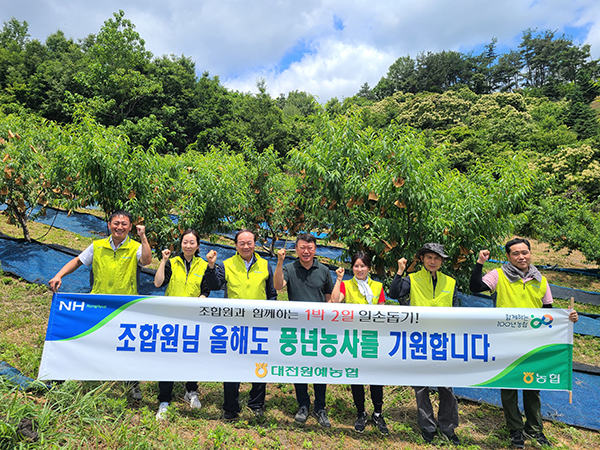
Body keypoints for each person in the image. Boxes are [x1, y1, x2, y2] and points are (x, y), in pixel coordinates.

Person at [470, 238, 579, 449]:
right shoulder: (498, 275)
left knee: (533, 385)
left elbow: (549, 311)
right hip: (506, 339)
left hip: (533, 341)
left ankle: (535, 429)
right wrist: (480, 263)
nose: (521, 257)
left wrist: (567, 317)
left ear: (530, 253)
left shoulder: (541, 280)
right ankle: (515, 430)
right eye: (515, 253)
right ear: (508, 257)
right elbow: (475, 287)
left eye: (525, 252)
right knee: (509, 386)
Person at [48, 210, 152, 400]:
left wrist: (144, 237)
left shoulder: (135, 247)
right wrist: (59, 275)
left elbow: (146, 260)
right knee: (83, 339)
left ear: (130, 227)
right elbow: (78, 261)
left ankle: (131, 385)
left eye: (124, 224)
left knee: (127, 345)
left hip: (125, 305)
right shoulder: (98, 246)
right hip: (98, 304)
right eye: (116, 223)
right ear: (109, 225)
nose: (119, 227)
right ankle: (63, 378)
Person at [388, 243, 460, 445]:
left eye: (437, 258)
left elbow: (456, 310)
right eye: (429, 257)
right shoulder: (412, 279)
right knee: (421, 387)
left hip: (443, 341)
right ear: (422, 259)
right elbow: (394, 293)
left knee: (446, 387)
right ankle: (427, 426)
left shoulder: (450, 282)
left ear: (442, 261)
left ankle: (448, 428)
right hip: (418, 339)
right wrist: (400, 271)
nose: (433, 261)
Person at [204, 230, 277, 420]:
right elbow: (214, 286)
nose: (246, 246)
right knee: (231, 364)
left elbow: (271, 294)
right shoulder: (227, 265)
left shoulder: (264, 265)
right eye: (242, 243)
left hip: (259, 323)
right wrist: (211, 267)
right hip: (233, 324)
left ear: (255, 244)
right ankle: (230, 407)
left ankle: (257, 403)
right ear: (236, 245)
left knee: (259, 364)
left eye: (249, 243)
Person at [153, 229, 217, 420]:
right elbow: (158, 284)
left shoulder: (203, 265)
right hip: (171, 316)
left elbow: (206, 290)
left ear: (198, 245)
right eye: (185, 242)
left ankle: (191, 390)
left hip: (193, 317)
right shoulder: (172, 262)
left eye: (192, 242)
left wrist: (202, 298)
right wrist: (163, 261)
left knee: (192, 354)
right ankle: (164, 399)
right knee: (168, 355)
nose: (188, 246)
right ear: (180, 244)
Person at [274, 233, 334, 428]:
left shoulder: (324, 270)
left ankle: (320, 407)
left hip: (319, 329)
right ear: (297, 249)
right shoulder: (290, 269)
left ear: (315, 249)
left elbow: (329, 301)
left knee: (319, 368)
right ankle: (303, 405)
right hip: (297, 328)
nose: (306, 251)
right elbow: (277, 286)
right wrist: (280, 262)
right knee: (299, 367)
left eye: (309, 247)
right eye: (302, 247)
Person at [331, 251, 389, 434]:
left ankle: (378, 413)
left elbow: (383, 312)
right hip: (353, 338)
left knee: (376, 378)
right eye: (356, 266)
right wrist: (338, 279)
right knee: (356, 376)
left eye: (362, 266)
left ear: (369, 268)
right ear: (352, 268)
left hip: (372, 339)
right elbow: (334, 302)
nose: (359, 269)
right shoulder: (347, 285)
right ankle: (360, 413)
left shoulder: (378, 287)